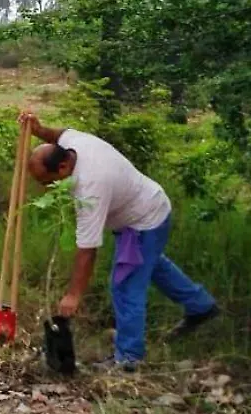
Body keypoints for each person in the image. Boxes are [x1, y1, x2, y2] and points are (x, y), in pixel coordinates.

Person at [19, 111, 219, 371]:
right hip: (148, 206)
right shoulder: (74, 143)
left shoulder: (90, 188)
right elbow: (59, 134)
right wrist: (39, 129)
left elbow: (87, 250)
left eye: (47, 181)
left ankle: (128, 359)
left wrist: (73, 295)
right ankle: (201, 306)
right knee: (152, 265)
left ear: (63, 168)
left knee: (124, 286)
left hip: (145, 221)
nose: (45, 188)